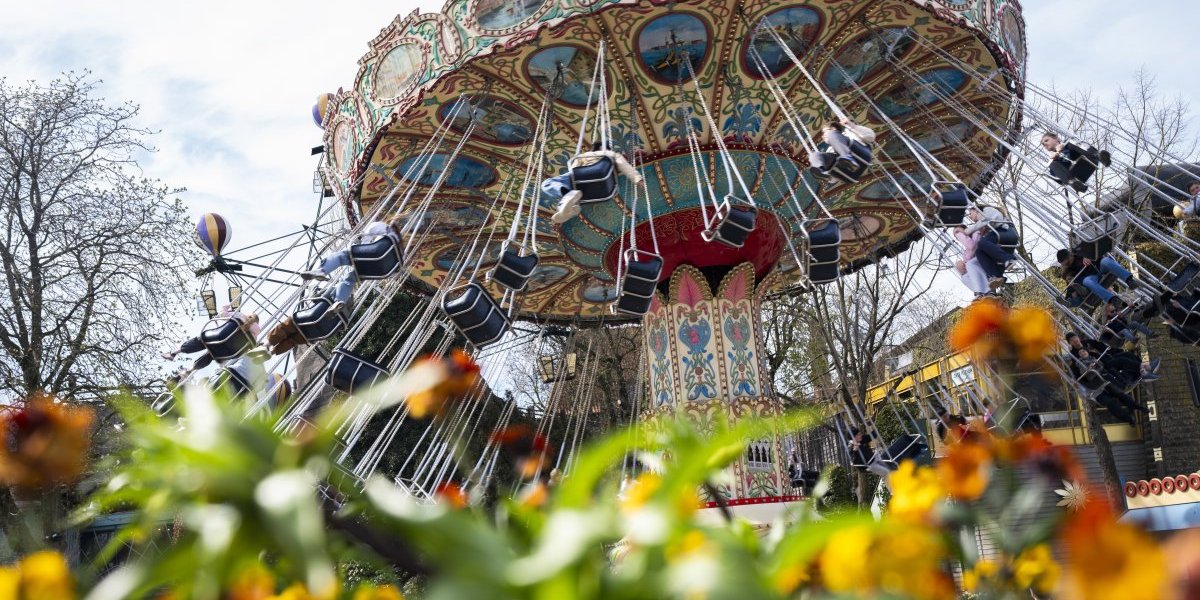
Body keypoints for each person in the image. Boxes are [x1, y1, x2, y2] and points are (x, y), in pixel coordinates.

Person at [299, 217, 404, 303]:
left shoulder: (383, 227)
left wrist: (362, 246)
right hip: (379, 270)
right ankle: (339, 301)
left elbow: (368, 233)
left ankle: (322, 271)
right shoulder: (400, 249)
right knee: (351, 278)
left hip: (374, 253)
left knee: (342, 256)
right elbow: (396, 268)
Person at [546, 141, 644, 224]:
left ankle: (568, 198)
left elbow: (573, 170)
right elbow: (624, 166)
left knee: (547, 183)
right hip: (600, 186)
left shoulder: (584, 156)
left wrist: (638, 179)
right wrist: (638, 179)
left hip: (585, 176)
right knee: (551, 185)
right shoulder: (612, 155)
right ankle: (569, 208)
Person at [162, 306, 260, 379]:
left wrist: (226, 307)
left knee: (201, 341)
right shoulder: (254, 338)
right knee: (211, 355)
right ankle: (189, 370)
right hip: (226, 353)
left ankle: (173, 353)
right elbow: (248, 350)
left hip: (219, 337)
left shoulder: (240, 316)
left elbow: (222, 314)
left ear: (249, 315)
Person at [1055, 248, 1140, 306]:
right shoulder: (1068, 271)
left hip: (1099, 267)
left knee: (1106, 261)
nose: (1068, 265)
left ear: (1070, 255)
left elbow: (1096, 251)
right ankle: (1112, 299)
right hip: (1091, 278)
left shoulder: (1080, 252)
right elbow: (1070, 286)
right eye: (1065, 264)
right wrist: (1072, 283)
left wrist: (1087, 256)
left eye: (1068, 262)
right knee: (1087, 281)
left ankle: (1129, 280)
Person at [964, 205, 1016, 289]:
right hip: (1000, 235)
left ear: (976, 210)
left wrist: (968, 230)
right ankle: (995, 275)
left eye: (970, 213)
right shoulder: (983, 221)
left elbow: (988, 220)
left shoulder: (986, 210)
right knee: (979, 251)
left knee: (981, 243)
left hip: (1005, 232)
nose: (969, 216)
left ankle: (1008, 259)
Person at [1041, 132, 1111, 192]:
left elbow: (1078, 149)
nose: (1045, 145)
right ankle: (1074, 183)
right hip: (1076, 175)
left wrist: (1063, 149)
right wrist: (1057, 156)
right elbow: (1058, 179)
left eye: (1046, 140)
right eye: (1043, 145)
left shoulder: (1069, 144)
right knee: (1052, 165)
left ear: (1056, 138)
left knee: (1071, 142)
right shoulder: (1054, 161)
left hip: (1088, 160)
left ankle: (1099, 156)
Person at [808, 118, 875, 174]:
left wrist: (852, 126)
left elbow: (871, 137)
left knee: (832, 135)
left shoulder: (850, 133)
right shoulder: (830, 149)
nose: (823, 136)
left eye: (825, 132)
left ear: (833, 128)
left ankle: (847, 157)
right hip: (845, 166)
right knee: (814, 155)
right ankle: (822, 172)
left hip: (860, 153)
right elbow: (833, 181)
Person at [952, 225, 989, 297]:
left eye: (957, 232)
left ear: (965, 229)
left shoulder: (976, 233)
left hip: (984, 258)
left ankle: (981, 291)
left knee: (969, 264)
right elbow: (968, 258)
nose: (957, 235)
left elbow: (972, 246)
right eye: (955, 235)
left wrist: (960, 235)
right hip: (976, 264)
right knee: (964, 278)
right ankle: (982, 294)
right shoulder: (966, 249)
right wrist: (962, 266)